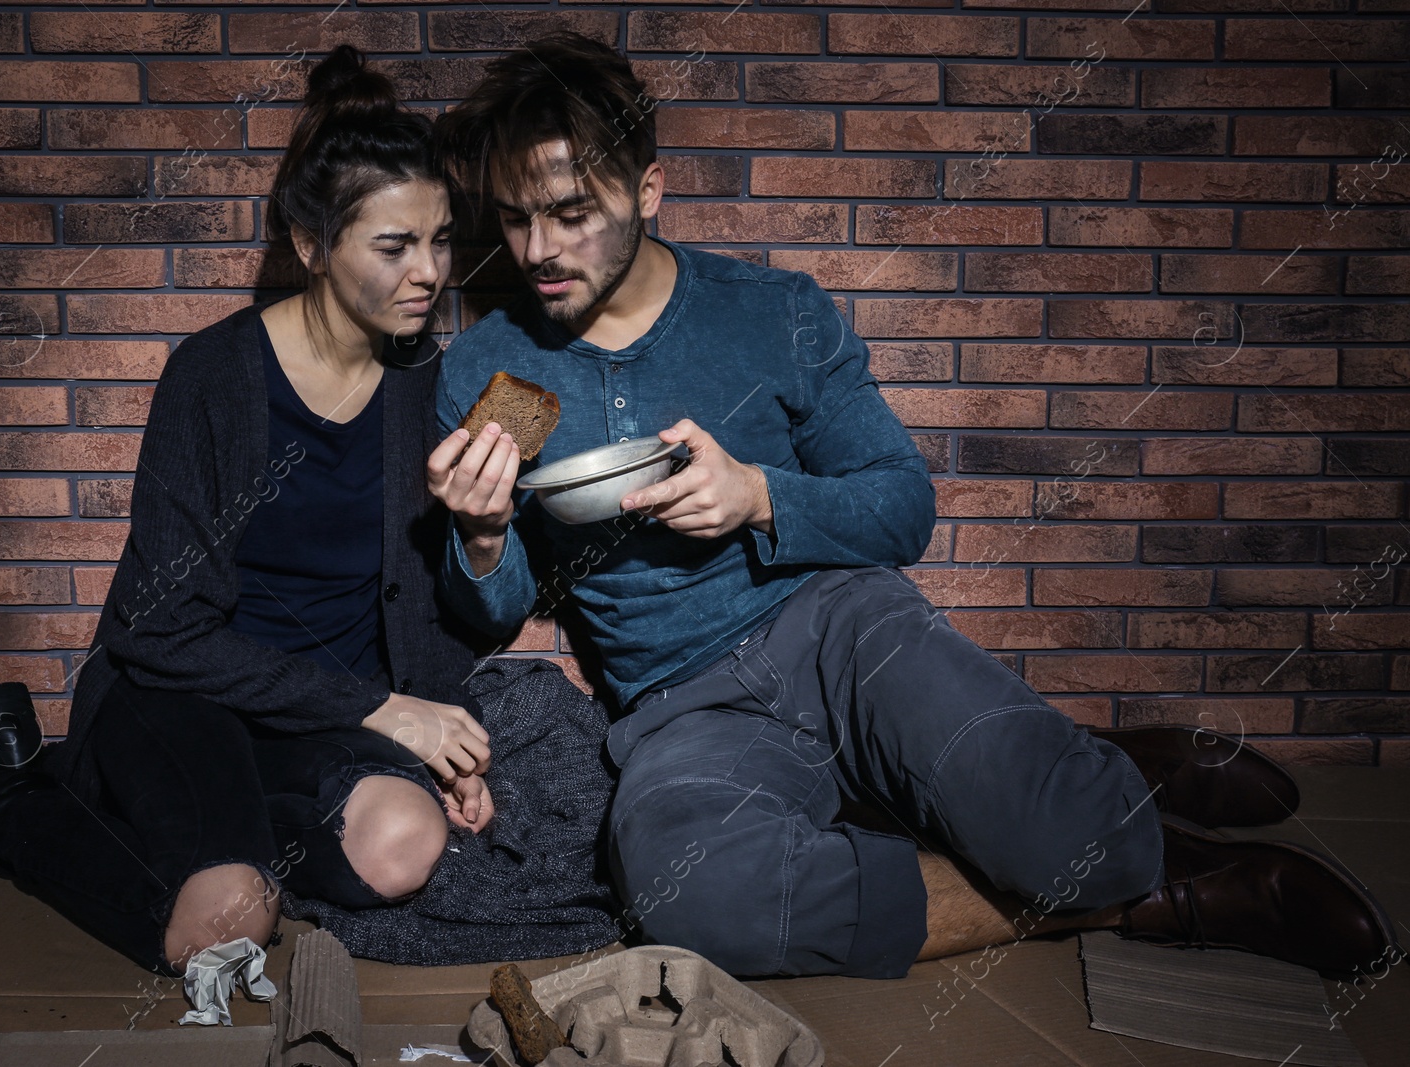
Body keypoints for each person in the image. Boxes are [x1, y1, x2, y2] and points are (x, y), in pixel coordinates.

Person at [423, 32, 1399, 981]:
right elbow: (491, 609)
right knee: (694, 905)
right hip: (682, 704)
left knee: (1047, 810)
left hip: (840, 626)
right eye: (514, 218)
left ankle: (1088, 781)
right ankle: (1147, 885)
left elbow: (902, 509)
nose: (538, 250)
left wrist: (761, 495)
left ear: (647, 189)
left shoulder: (774, 313)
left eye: (569, 212)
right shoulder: (483, 368)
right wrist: (480, 531)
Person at [0, 45, 500, 990]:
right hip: (180, 697)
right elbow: (162, 633)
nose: (429, 272)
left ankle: (188, 829)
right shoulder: (212, 378)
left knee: (404, 845)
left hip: (313, 716)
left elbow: (427, 605)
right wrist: (384, 711)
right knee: (225, 925)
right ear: (311, 245)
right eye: (394, 246)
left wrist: (442, 729)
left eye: (440, 240)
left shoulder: (427, 382)